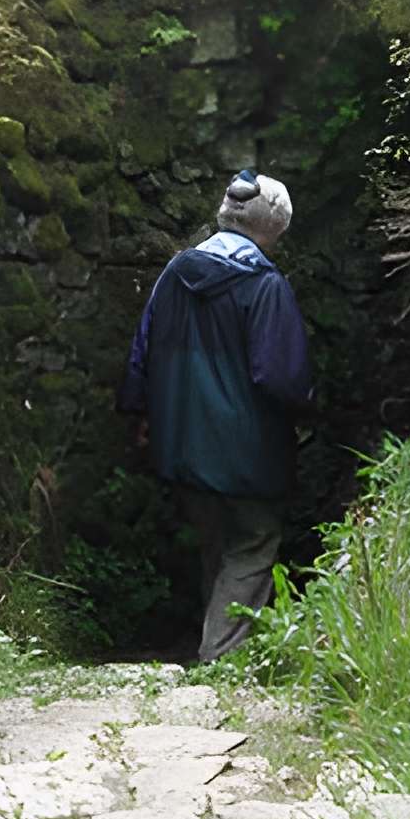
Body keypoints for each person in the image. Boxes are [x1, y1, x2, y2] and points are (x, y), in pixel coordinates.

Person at [119, 168, 314, 663]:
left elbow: (142, 352)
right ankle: (221, 659)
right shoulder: (265, 285)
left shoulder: (176, 272)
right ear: (271, 229)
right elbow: (280, 377)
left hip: (180, 442)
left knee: (216, 539)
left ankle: (211, 642)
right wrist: (308, 412)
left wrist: (141, 414)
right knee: (252, 541)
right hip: (246, 450)